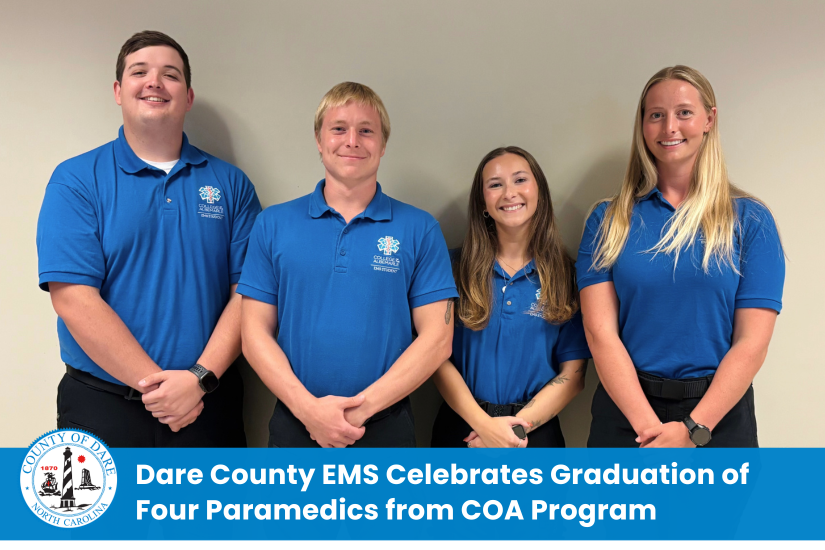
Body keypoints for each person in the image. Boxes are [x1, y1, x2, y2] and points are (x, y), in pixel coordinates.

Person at [36, 31, 261, 447]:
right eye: (140, 72)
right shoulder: (76, 180)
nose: (155, 82)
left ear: (188, 96)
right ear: (119, 91)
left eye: (170, 75)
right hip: (102, 404)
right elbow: (72, 297)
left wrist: (197, 380)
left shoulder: (231, 185)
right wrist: (160, 390)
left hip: (208, 403)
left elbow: (248, 295)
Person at [238, 82, 457, 448]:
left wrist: (355, 413)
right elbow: (253, 334)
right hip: (296, 423)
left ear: (383, 145)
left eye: (366, 131)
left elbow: (437, 340)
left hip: (386, 426)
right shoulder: (273, 224)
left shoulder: (419, 228)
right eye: (339, 128)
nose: (352, 140)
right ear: (319, 140)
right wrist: (309, 411)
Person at [577, 65, 785, 448]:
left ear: (709, 119)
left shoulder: (751, 220)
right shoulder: (607, 219)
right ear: (643, 125)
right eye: (656, 115)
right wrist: (648, 428)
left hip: (718, 417)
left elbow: (752, 343)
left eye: (684, 112)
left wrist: (693, 428)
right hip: (627, 413)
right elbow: (599, 333)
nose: (669, 127)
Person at [430, 146, 591, 448]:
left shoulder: (567, 275)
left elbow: (574, 375)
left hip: (535, 433)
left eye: (520, 180)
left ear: (539, 192)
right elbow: (435, 359)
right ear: (483, 202)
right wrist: (484, 427)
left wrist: (515, 432)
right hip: (463, 431)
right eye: (495, 184)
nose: (509, 193)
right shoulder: (451, 269)